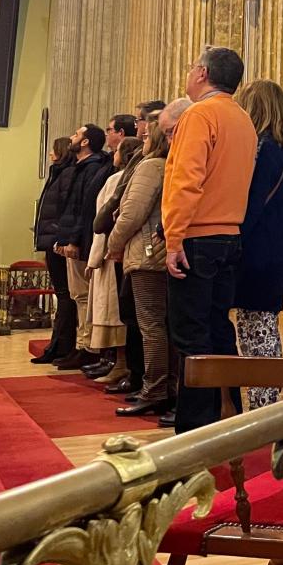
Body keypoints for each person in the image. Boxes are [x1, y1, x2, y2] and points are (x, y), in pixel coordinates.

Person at [163, 47, 258, 432]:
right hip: (230, 236)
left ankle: (194, 428)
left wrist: (173, 239)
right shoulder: (244, 120)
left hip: (196, 239)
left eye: (190, 68)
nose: (188, 74)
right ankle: (227, 414)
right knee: (220, 328)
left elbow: (186, 180)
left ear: (202, 73)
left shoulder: (200, 114)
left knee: (190, 335)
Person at [233, 79, 283, 411]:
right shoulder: (281, 150)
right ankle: (266, 403)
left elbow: (251, 204)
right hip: (271, 253)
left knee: (257, 332)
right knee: (260, 328)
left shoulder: (263, 149)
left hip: (257, 254)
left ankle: (265, 408)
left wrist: (231, 238)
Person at [107, 123, 174, 416]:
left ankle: (155, 389)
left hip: (147, 254)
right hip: (159, 252)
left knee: (151, 326)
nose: (142, 139)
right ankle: (163, 387)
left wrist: (113, 242)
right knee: (160, 325)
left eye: (146, 135)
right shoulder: (169, 163)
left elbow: (132, 212)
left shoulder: (151, 167)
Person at [51, 124, 114, 370]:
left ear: (86, 142)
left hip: (81, 240)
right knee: (78, 295)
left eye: (77, 134)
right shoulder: (79, 167)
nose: (71, 137)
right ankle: (81, 345)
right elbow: (69, 207)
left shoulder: (93, 168)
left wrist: (73, 239)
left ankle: (88, 347)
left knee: (83, 296)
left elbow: (83, 208)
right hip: (70, 237)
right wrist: (63, 237)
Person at [86, 138, 141, 382]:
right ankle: (113, 362)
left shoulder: (119, 180)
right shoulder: (116, 178)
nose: (113, 153)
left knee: (117, 314)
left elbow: (106, 221)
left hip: (113, 252)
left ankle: (122, 365)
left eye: (117, 150)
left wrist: (95, 257)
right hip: (116, 250)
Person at [32, 137, 78, 364]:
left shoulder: (67, 174)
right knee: (63, 294)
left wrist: (57, 233)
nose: (50, 153)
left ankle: (62, 346)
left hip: (58, 240)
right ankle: (57, 345)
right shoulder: (58, 173)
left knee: (65, 294)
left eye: (53, 149)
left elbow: (65, 208)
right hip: (52, 238)